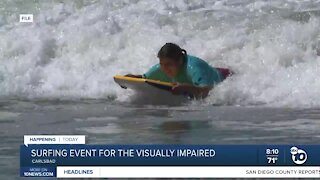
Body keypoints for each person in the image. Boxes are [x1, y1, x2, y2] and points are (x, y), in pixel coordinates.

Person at [126, 43, 232, 98]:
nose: (165, 68)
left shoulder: (194, 68)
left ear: (180, 61)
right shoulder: (160, 69)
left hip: (225, 76)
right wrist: (129, 80)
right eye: (162, 64)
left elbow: (207, 91)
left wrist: (187, 88)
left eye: (169, 64)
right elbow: (144, 79)